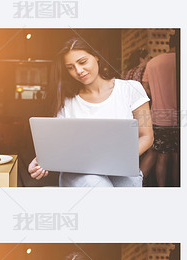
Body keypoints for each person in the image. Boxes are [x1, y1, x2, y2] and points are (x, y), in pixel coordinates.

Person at [28, 37, 153, 187]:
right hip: (80, 173)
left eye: (82, 62)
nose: (78, 71)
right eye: (70, 67)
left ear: (96, 57)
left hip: (121, 168)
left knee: (129, 186)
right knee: (96, 183)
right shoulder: (66, 102)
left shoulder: (132, 89)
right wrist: (41, 160)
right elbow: (59, 145)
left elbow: (147, 136)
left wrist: (115, 159)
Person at [140, 33, 179, 187]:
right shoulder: (181, 60)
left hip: (158, 117)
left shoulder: (152, 63)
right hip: (180, 117)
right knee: (178, 157)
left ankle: (161, 189)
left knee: (161, 156)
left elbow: (145, 89)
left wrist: (158, 94)